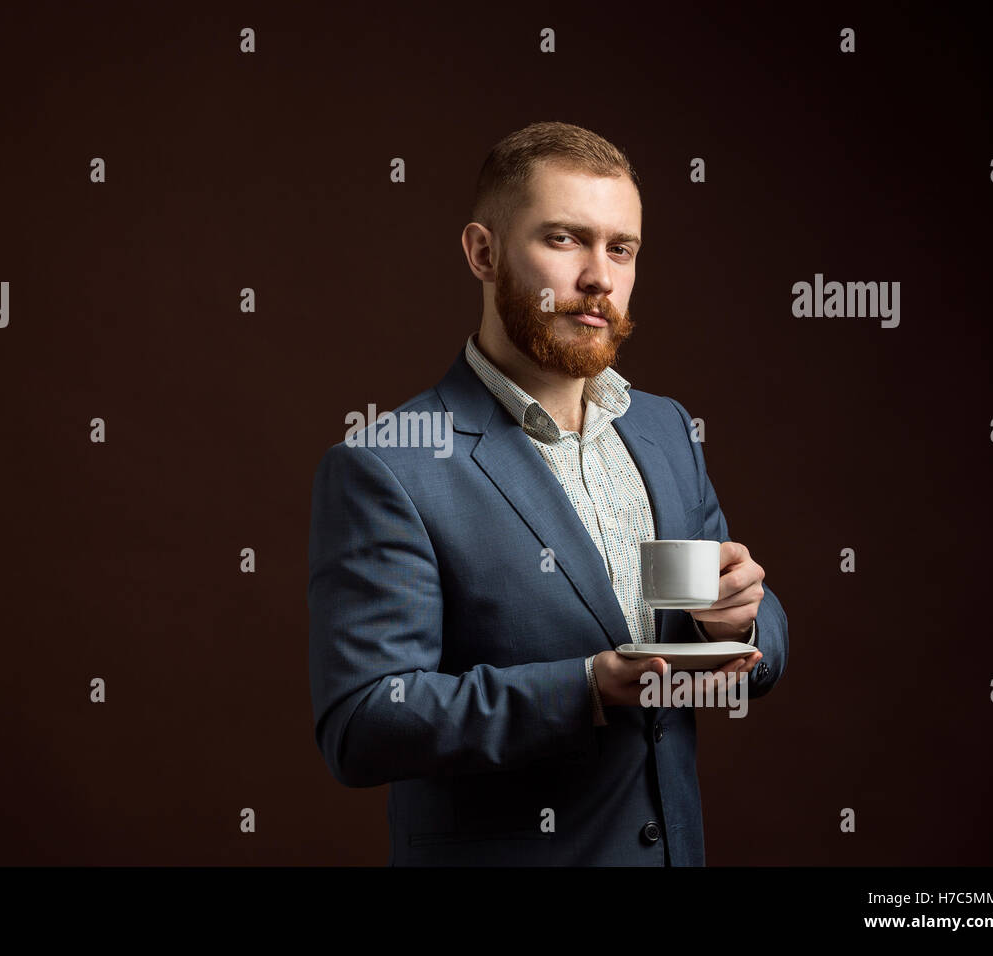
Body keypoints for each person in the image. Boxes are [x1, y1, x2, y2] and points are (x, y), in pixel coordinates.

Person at [307, 121, 789, 865]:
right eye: (564, 239)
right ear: (483, 252)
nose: (599, 276)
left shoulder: (663, 429)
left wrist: (736, 626)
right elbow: (363, 725)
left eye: (621, 248)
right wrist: (586, 687)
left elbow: (752, 635)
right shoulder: (388, 465)